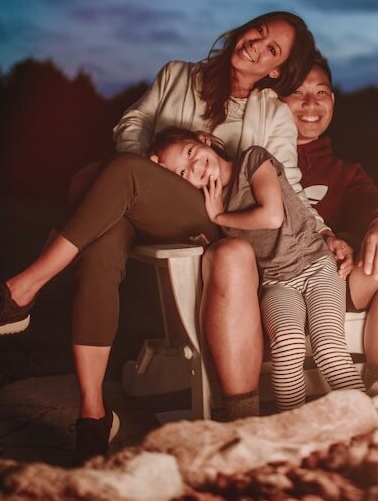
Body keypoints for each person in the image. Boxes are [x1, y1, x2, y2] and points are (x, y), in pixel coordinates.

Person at [0, 11, 319, 465]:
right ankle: (93, 418)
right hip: (138, 204)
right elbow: (131, 125)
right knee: (101, 240)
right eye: (259, 30)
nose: (256, 43)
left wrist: (326, 235)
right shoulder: (177, 75)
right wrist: (147, 168)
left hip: (211, 216)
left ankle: (19, 293)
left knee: (94, 180)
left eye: (272, 48)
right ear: (243, 28)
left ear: (275, 70)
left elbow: (285, 184)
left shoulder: (271, 113)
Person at [149, 127, 365, 410]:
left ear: (204, 139)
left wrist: (220, 216)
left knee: (327, 348)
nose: (194, 167)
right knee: (287, 346)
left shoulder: (252, 160)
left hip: (316, 265)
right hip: (276, 283)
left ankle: (374, 420)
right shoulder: (208, 206)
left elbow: (273, 216)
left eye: (190, 153)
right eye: (181, 173)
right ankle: (293, 432)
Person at [283, 53, 378, 387]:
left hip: (332, 284)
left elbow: (369, 201)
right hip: (270, 287)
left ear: (332, 101)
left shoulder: (344, 173)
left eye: (321, 92)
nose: (311, 103)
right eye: (297, 92)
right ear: (275, 101)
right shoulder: (254, 163)